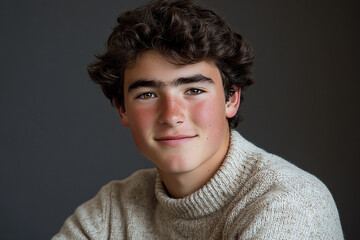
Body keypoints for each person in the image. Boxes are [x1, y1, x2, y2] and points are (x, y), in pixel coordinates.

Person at [52, 0, 343, 239]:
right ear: (122, 109)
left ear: (231, 99)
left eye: (193, 90)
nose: (171, 115)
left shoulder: (290, 204)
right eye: (147, 95)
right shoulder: (113, 209)